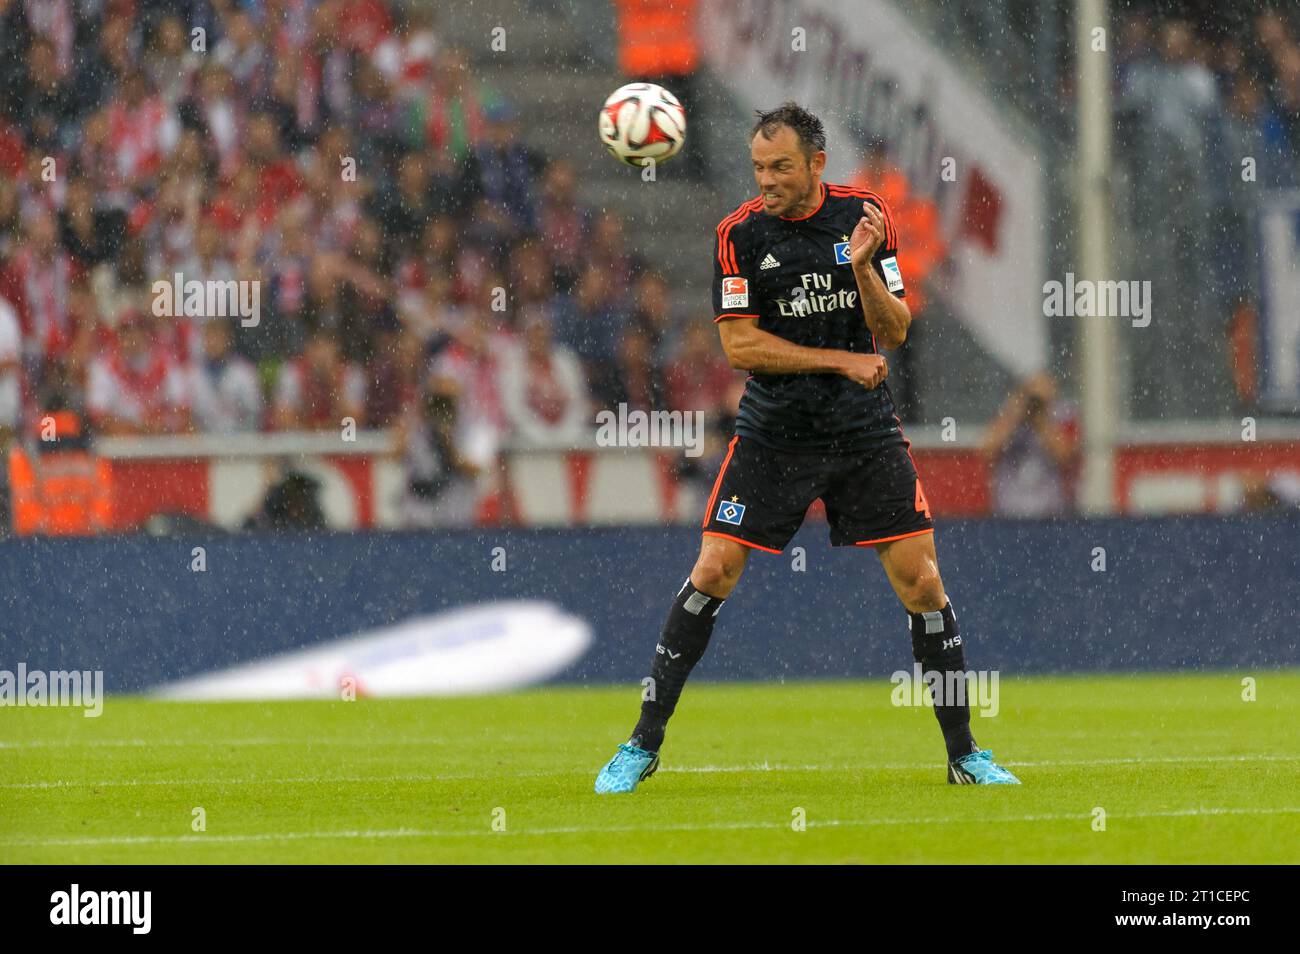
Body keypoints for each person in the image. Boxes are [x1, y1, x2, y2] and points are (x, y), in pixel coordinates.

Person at [596, 103, 1020, 793]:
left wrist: (859, 269)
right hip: (775, 433)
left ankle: (965, 754)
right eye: (759, 167)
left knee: (923, 582)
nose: (767, 180)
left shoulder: (864, 216)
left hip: (861, 431)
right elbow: (739, 345)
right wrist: (835, 360)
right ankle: (642, 744)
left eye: (781, 167)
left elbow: (899, 328)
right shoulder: (738, 233)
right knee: (714, 568)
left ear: (816, 163)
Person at [982, 373, 1079, 518]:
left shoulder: (1063, 415)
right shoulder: (1010, 412)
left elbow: (1065, 457)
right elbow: (987, 452)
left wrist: (1041, 420)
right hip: (1008, 513)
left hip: (1051, 514)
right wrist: (1016, 416)